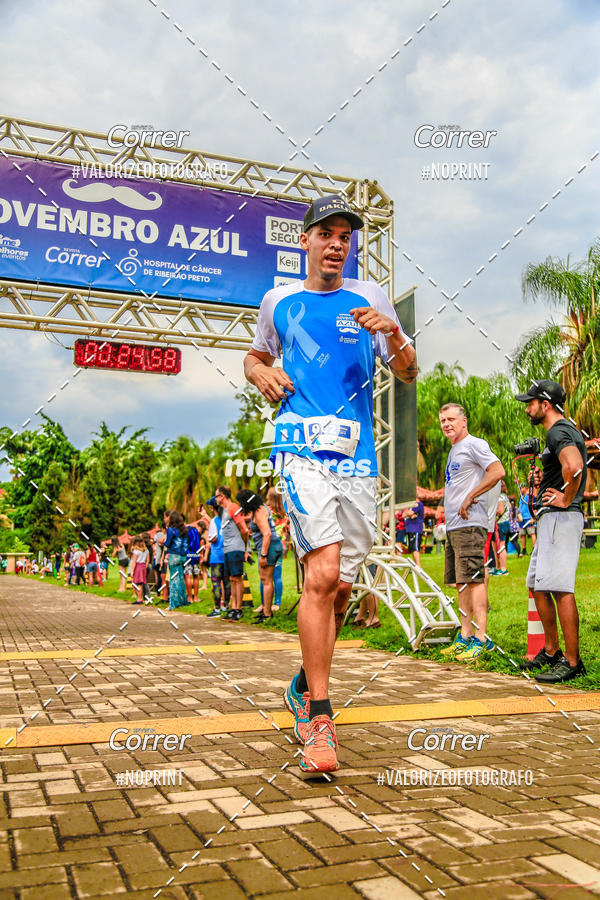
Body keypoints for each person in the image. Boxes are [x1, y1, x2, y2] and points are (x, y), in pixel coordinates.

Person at [244, 193, 416, 773]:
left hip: (359, 459)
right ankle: (320, 719)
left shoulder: (370, 298)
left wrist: (393, 334)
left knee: (340, 589)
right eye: (326, 233)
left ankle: (301, 682)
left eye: (346, 235)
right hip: (300, 451)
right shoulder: (279, 301)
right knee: (320, 574)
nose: (337, 243)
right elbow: (254, 356)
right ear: (306, 240)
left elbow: (409, 370)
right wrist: (262, 372)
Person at [515, 380, 587, 682]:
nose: (527, 407)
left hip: (562, 517)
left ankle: (572, 662)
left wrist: (566, 497)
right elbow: (564, 467)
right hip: (551, 519)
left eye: (531, 402)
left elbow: (575, 465)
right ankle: (552, 650)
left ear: (546, 404)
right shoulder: (558, 433)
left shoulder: (559, 430)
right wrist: (545, 477)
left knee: (559, 589)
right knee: (538, 585)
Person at [439, 403, 505, 661]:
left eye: (451, 419)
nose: (446, 424)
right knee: (461, 581)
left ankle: (481, 639)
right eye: (443, 420)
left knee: (475, 580)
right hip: (455, 526)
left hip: (470, 524)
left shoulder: (474, 444)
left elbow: (498, 471)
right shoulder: (455, 450)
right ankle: (465, 635)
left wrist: (470, 496)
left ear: (464, 421)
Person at [237, 489, 284, 623]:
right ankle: (266, 610)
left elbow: (267, 534)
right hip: (273, 546)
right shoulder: (261, 509)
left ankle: (267, 614)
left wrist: (263, 555)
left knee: (266, 580)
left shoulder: (258, 512)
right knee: (267, 579)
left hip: (269, 547)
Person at [214, 486, 250, 622]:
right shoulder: (224, 511)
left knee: (237, 578)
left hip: (236, 547)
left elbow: (244, 530)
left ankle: (238, 609)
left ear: (222, 496)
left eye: (217, 496)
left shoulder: (233, 507)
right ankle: (234, 608)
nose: (216, 499)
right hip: (228, 548)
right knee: (232, 579)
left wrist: (245, 548)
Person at [205, 498, 231, 617]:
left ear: (212, 508)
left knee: (216, 583)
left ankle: (217, 608)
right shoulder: (228, 519)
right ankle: (226, 605)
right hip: (227, 555)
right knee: (227, 582)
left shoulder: (214, 521)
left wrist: (209, 540)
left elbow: (213, 538)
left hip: (216, 556)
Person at [162, 511, 189, 610]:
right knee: (180, 579)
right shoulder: (184, 530)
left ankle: (173, 604)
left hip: (174, 556)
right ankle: (183, 601)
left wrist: (163, 542)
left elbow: (168, 543)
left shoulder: (171, 530)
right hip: (183, 556)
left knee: (173, 580)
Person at [402, 498, 425, 567]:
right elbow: (405, 515)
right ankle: (415, 565)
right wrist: (408, 514)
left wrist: (407, 513)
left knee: (415, 548)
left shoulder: (418, 504)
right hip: (410, 530)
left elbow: (409, 514)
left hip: (415, 529)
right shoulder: (411, 506)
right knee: (412, 548)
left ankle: (418, 565)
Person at [131, 537, 150, 604]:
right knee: (141, 583)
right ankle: (140, 597)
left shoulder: (136, 551)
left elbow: (134, 561)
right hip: (143, 566)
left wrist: (132, 571)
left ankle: (139, 598)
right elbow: (148, 560)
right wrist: (145, 566)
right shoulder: (146, 550)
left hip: (138, 566)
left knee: (137, 583)